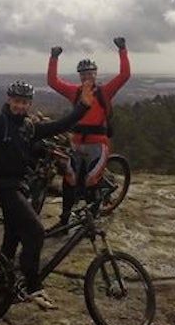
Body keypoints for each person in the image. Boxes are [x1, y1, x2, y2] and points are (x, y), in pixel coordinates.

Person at [0, 73, 91, 309]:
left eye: (24, 102)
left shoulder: (28, 127)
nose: (20, 105)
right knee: (36, 231)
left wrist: (83, 107)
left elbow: (59, 125)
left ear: (29, 104)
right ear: (9, 100)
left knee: (13, 235)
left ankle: (5, 281)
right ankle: (33, 287)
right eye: (16, 101)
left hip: (17, 186)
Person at [47, 37, 130, 228]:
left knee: (92, 180)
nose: (87, 77)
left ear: (95, 74)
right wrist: (53, 58)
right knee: (69, 180)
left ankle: (90, 224)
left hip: (98, 145)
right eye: (83, 74)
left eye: (90, 73)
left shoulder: (104, 92)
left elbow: (124, 75)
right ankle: (64, 221)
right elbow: (52, 81)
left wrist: (122, 50)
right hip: (77, 143)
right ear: (79, 76)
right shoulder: (74, 92)